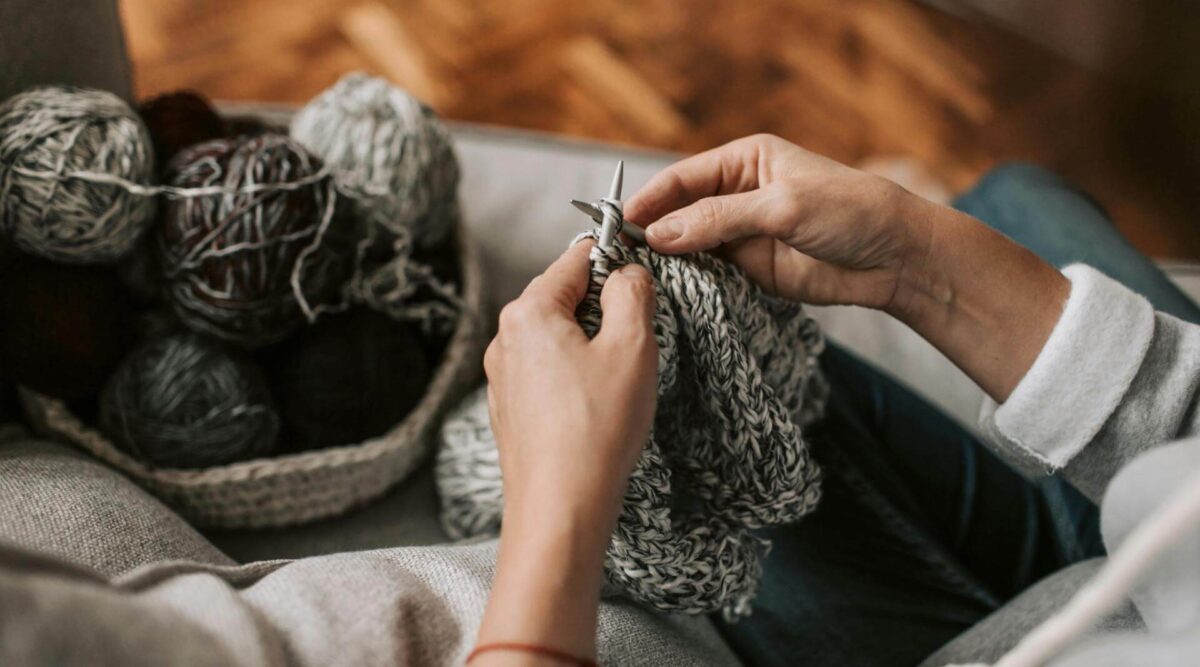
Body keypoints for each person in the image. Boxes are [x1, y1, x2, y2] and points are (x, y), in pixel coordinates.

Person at [470, 134, 1200, 666]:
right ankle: (954, 198)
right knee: (1018, 191)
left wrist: (557, 492)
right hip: (1157, 547)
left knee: (1014, 195)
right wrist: (916, 259)